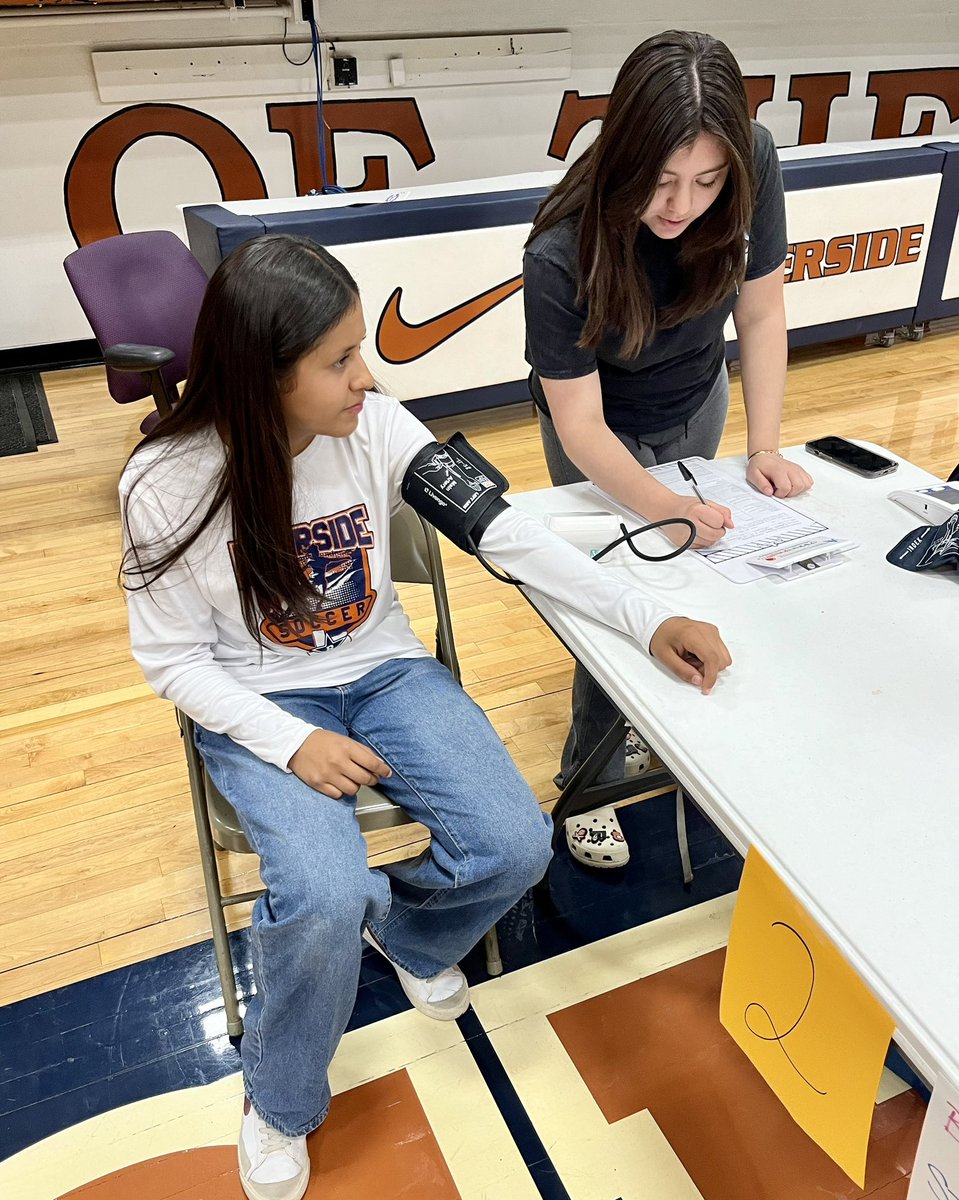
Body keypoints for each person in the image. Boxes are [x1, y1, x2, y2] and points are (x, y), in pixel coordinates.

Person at [119, 232, 731, 1200]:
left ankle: (403, 933)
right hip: (261, 702)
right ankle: (278, 1101)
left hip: (384, 672)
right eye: (338, 359)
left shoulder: (376, 427)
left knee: (514, 844)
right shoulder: (164, 484)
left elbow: (510, 537)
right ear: (261, 376)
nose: (366, 376)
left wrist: (644, 616)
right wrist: (293, 741)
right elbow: (170, 661)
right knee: (318, 891)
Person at [523, 29, 813, 864]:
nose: (681, 203)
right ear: (625, 156)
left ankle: (670, 727)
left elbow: (758, 313)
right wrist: (667, 506)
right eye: (660, 180)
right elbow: (578, 426)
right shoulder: (560, 249)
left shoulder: (752, 156)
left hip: (696, 397)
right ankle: (589, 776)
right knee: (609, 596)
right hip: (598, 430)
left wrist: (764, 446)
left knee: (696, 577)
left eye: (706, 182)